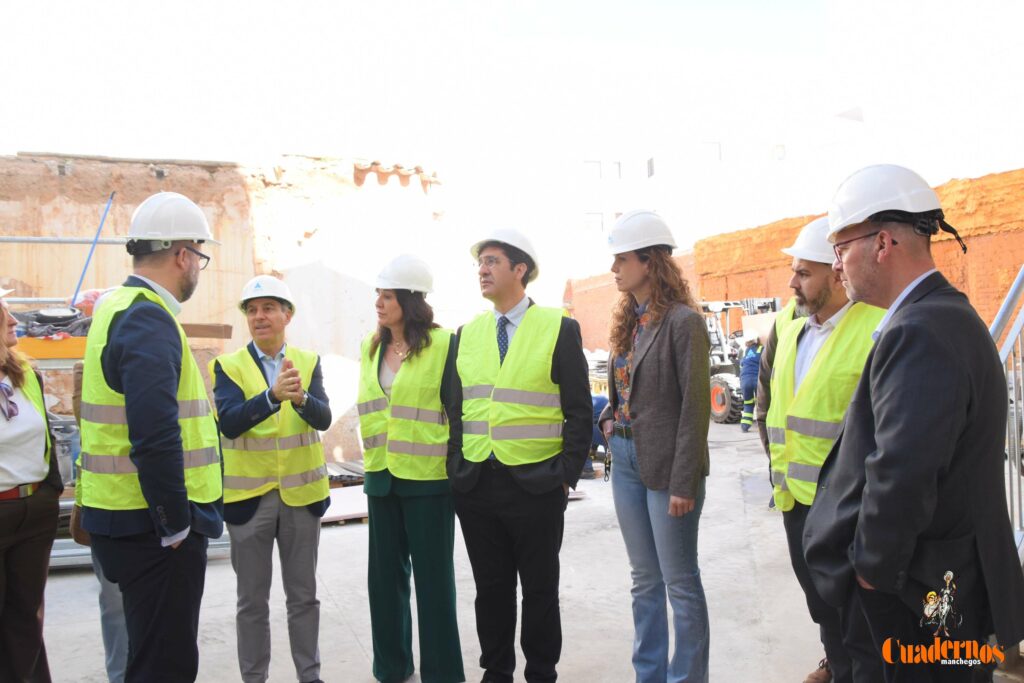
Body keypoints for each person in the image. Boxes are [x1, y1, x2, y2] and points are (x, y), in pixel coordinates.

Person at [803, 164, 1024, 682]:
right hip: (937, 586)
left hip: (917, 597)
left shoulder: (922, 330)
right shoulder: (940, 317)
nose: (836, 267)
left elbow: (901, 473)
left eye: (841, 248)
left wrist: (871, 576)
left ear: (883, 243)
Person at [78, 191, 223, 683]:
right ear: (182, 254)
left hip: (123, 519)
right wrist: (175, 523)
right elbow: (154, 432)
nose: (198, 269)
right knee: (166, 664)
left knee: (146, 654)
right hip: (152, 528)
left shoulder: (116, 305)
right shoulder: (146, 317)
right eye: (199, 257)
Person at [448, 228, 591, 683]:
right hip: (477, 484)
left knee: (539, 588)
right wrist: (457, 468)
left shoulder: (558, 328)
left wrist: (566, 472)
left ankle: (542, 670)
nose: (482, 271)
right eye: (480, 264)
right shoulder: (467, 333)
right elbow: (456, 407)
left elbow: (579, 410)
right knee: (490, 589)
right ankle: (497, 670)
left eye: (491, 262)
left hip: (537, 484)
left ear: (520, 269)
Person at [765, 217, 884, 683]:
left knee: (860, 623)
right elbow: (772, 409)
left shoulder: (876, 327)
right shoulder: (791, 330)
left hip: (848, 507)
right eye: (793, 271)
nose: (792, 282)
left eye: (804, 272)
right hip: (796, 501)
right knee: (824, 610)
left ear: (837, 272)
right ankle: (834, 665)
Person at [596, 209, 711, 683]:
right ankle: (650, 675)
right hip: (624, 459)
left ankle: (686, 678)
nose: (614, 268)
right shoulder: (630, 320)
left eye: (622, 259)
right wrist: (608, 416)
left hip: (668, 469)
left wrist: (684, 481)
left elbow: (694, 409)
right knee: (644, 580)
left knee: (679, 583)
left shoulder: (683, 323)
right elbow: (627, 387)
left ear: (650, 261)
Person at [209, 275, 331, 683]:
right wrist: (271, 397)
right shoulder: (227, 366)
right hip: (249, 503)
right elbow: (229, 423)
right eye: (252, 310)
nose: (259, 316)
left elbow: (324, 418)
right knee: (252, 603)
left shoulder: (308, 362)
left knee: (303, 598)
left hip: (301, 498)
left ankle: (309, 676)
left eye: (268, 308)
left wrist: (301, 399)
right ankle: (254, 678)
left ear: (287, 315)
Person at [357, 254, 464, 683]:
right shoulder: (371, 347)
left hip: (429, 482)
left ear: (410, 299)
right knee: (384, 584)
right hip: (381, 479)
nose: (379, 304)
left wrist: (459, 471)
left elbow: (459, 414)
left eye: (388, 296)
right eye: (378, 295)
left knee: (434, 585)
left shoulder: (444, 345)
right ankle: (391, 667)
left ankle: (442, 674)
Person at [0, 287, 63, 682]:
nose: (13, 321)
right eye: (2, 315)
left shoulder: (27, 375)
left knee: (27, 617)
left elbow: (46, 437)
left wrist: (51, 493)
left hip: (34, 511)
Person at [738, 337, 762, 432]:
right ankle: (762, 426)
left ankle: (745, 426)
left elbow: (742, 363)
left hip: (745, 381)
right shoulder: (762, 349)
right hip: (757, 380)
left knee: (748, 403)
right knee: (761, 403)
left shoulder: (746, 351)